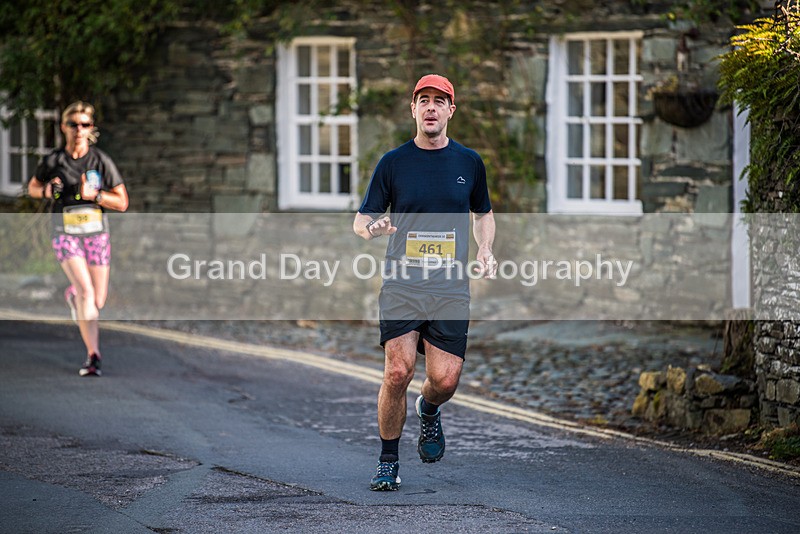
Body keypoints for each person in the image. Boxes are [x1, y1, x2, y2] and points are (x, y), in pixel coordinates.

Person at [353, 74, 497, 491]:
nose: (431, 107)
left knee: (445, 380)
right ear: (413, 109)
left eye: (439, 101)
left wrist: (485, 249)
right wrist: (373, 229)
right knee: (397, 371)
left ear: (451, 110)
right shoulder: (393, 163)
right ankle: (387, 460)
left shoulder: (469, 163)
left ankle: (429, 410)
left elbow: (483, 212)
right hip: (402, 285)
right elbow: (361, 221)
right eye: (423, 100)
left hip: (450, 287)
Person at [28, 101, 129, 376]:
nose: (79, 130)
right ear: (64, 127)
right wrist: (48, 191)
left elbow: (122, 202)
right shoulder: (54, 161)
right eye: (73, 124)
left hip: (96, 234)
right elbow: (33, 188)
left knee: (98, 300)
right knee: (87, 291)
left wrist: (94, 195)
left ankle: (74, 296)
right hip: (65, 233)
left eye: (85, 124)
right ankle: (93, 355)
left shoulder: (100, 161)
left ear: (91, 128)